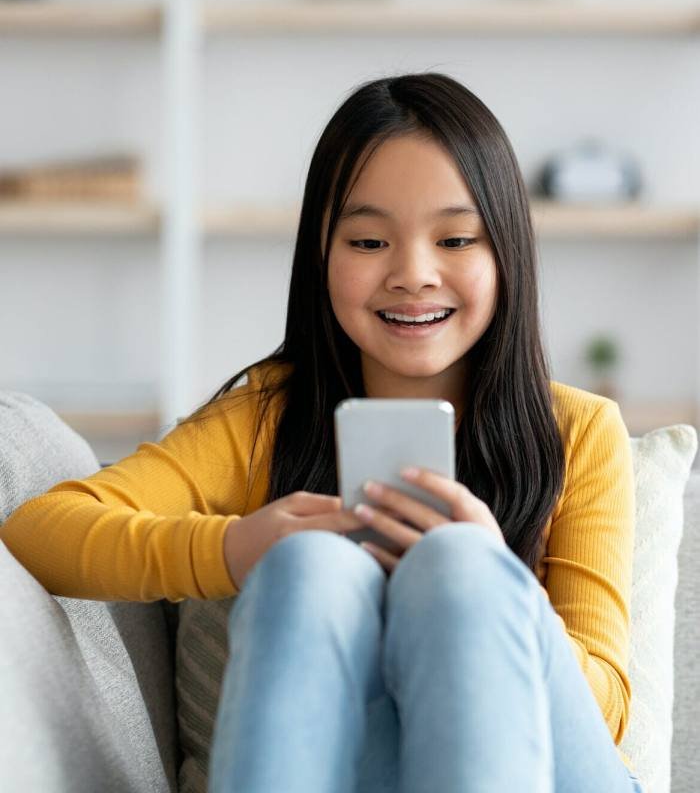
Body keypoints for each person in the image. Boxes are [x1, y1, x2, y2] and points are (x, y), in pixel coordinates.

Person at [0, 72, 645, 793]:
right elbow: (39, 531)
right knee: (309, 568)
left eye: (457, 238)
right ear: (321, 255)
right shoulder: (267, 418)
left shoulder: (579, 431)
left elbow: (608, 720)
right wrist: (236, 548)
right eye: (369, 240)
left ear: (506, 255)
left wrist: (499, 584)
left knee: (459, 570)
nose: (413, 274)